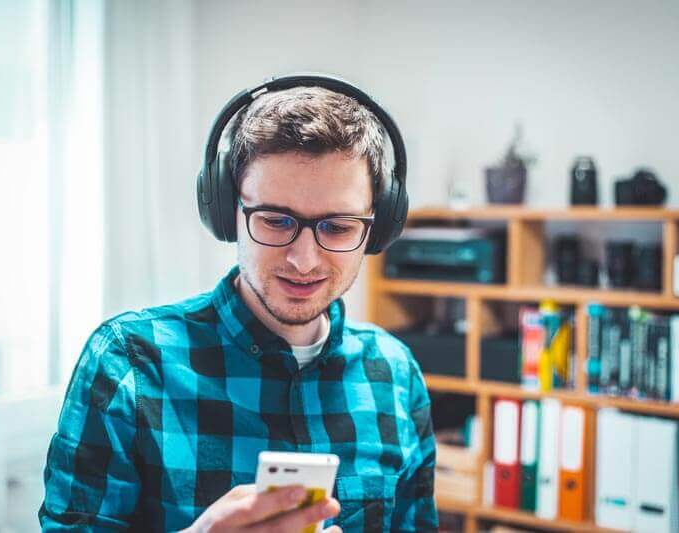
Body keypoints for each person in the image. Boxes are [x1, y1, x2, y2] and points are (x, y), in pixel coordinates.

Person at [39, 75, 438, 532]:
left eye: (338, 227)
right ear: (227, 210)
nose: (304, 260)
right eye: (275, 220)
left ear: (378, 227)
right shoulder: (127, 362)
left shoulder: (396, 374)